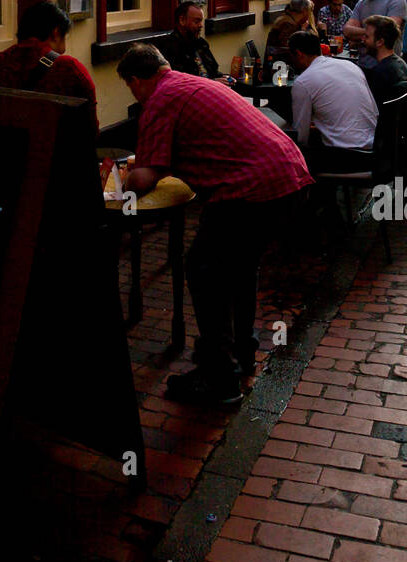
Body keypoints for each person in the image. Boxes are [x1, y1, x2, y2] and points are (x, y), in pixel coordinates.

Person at [118, 44, 312, 407]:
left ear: (135, 80)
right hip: (289, 176)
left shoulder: (160, 99)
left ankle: (220, 379)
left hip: (251, 189)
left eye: (130, 88)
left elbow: (144, 178)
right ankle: (241, 352)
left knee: (205, 270)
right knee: (239, 266)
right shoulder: (196, 84)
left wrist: (119, 179)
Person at [0, 0, 99, 138]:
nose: (64, 48)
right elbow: (91, 130)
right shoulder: (70, 69)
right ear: (55, 32)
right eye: (64, 37)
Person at [288, 30, 378, 170]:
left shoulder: (304, 81)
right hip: (375, 147)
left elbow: (300, 136)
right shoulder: (350, 65)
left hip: (348, 155)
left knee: (299, 154)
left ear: (299, 54)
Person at [342, 0, 407, 74]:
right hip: (363, 67)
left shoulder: (396, 1)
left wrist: (360, 35)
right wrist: (371, 34)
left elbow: (387, 34)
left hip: (388, 69)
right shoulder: (362, 3)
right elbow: (347, 30)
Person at [160, 1, 223, 78]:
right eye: (196, 21)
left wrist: (226, 78)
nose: (201, 25)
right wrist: (213, 82)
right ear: (182, 20)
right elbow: (180, 81)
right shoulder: (169, 47)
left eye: (201, 21)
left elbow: (214, 70)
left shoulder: (201, 43)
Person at [363, 15, 407, 105]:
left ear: (380, 42)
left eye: (366, 37)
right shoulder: (400, 64)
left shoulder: (382, 72)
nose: (363, 40)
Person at [263, 0, 316, 73]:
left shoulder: (287, 19)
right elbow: (287, 49)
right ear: (304, 11)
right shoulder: (288, 24)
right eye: (309, 11)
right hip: (280, 68)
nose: (310, 15)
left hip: (279, 63)